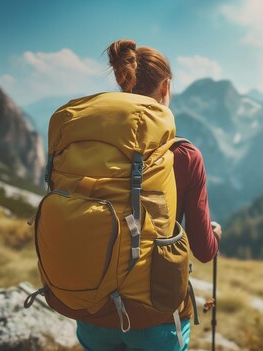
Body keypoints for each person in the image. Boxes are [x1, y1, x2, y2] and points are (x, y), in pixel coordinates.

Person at [75, 39, 222, 351]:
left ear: (121, 82)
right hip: (155, 316)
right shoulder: (183, 155)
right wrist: (215, 234)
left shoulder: (90, 146)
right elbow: (204, 250)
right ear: (165, 86)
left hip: (92, 309)